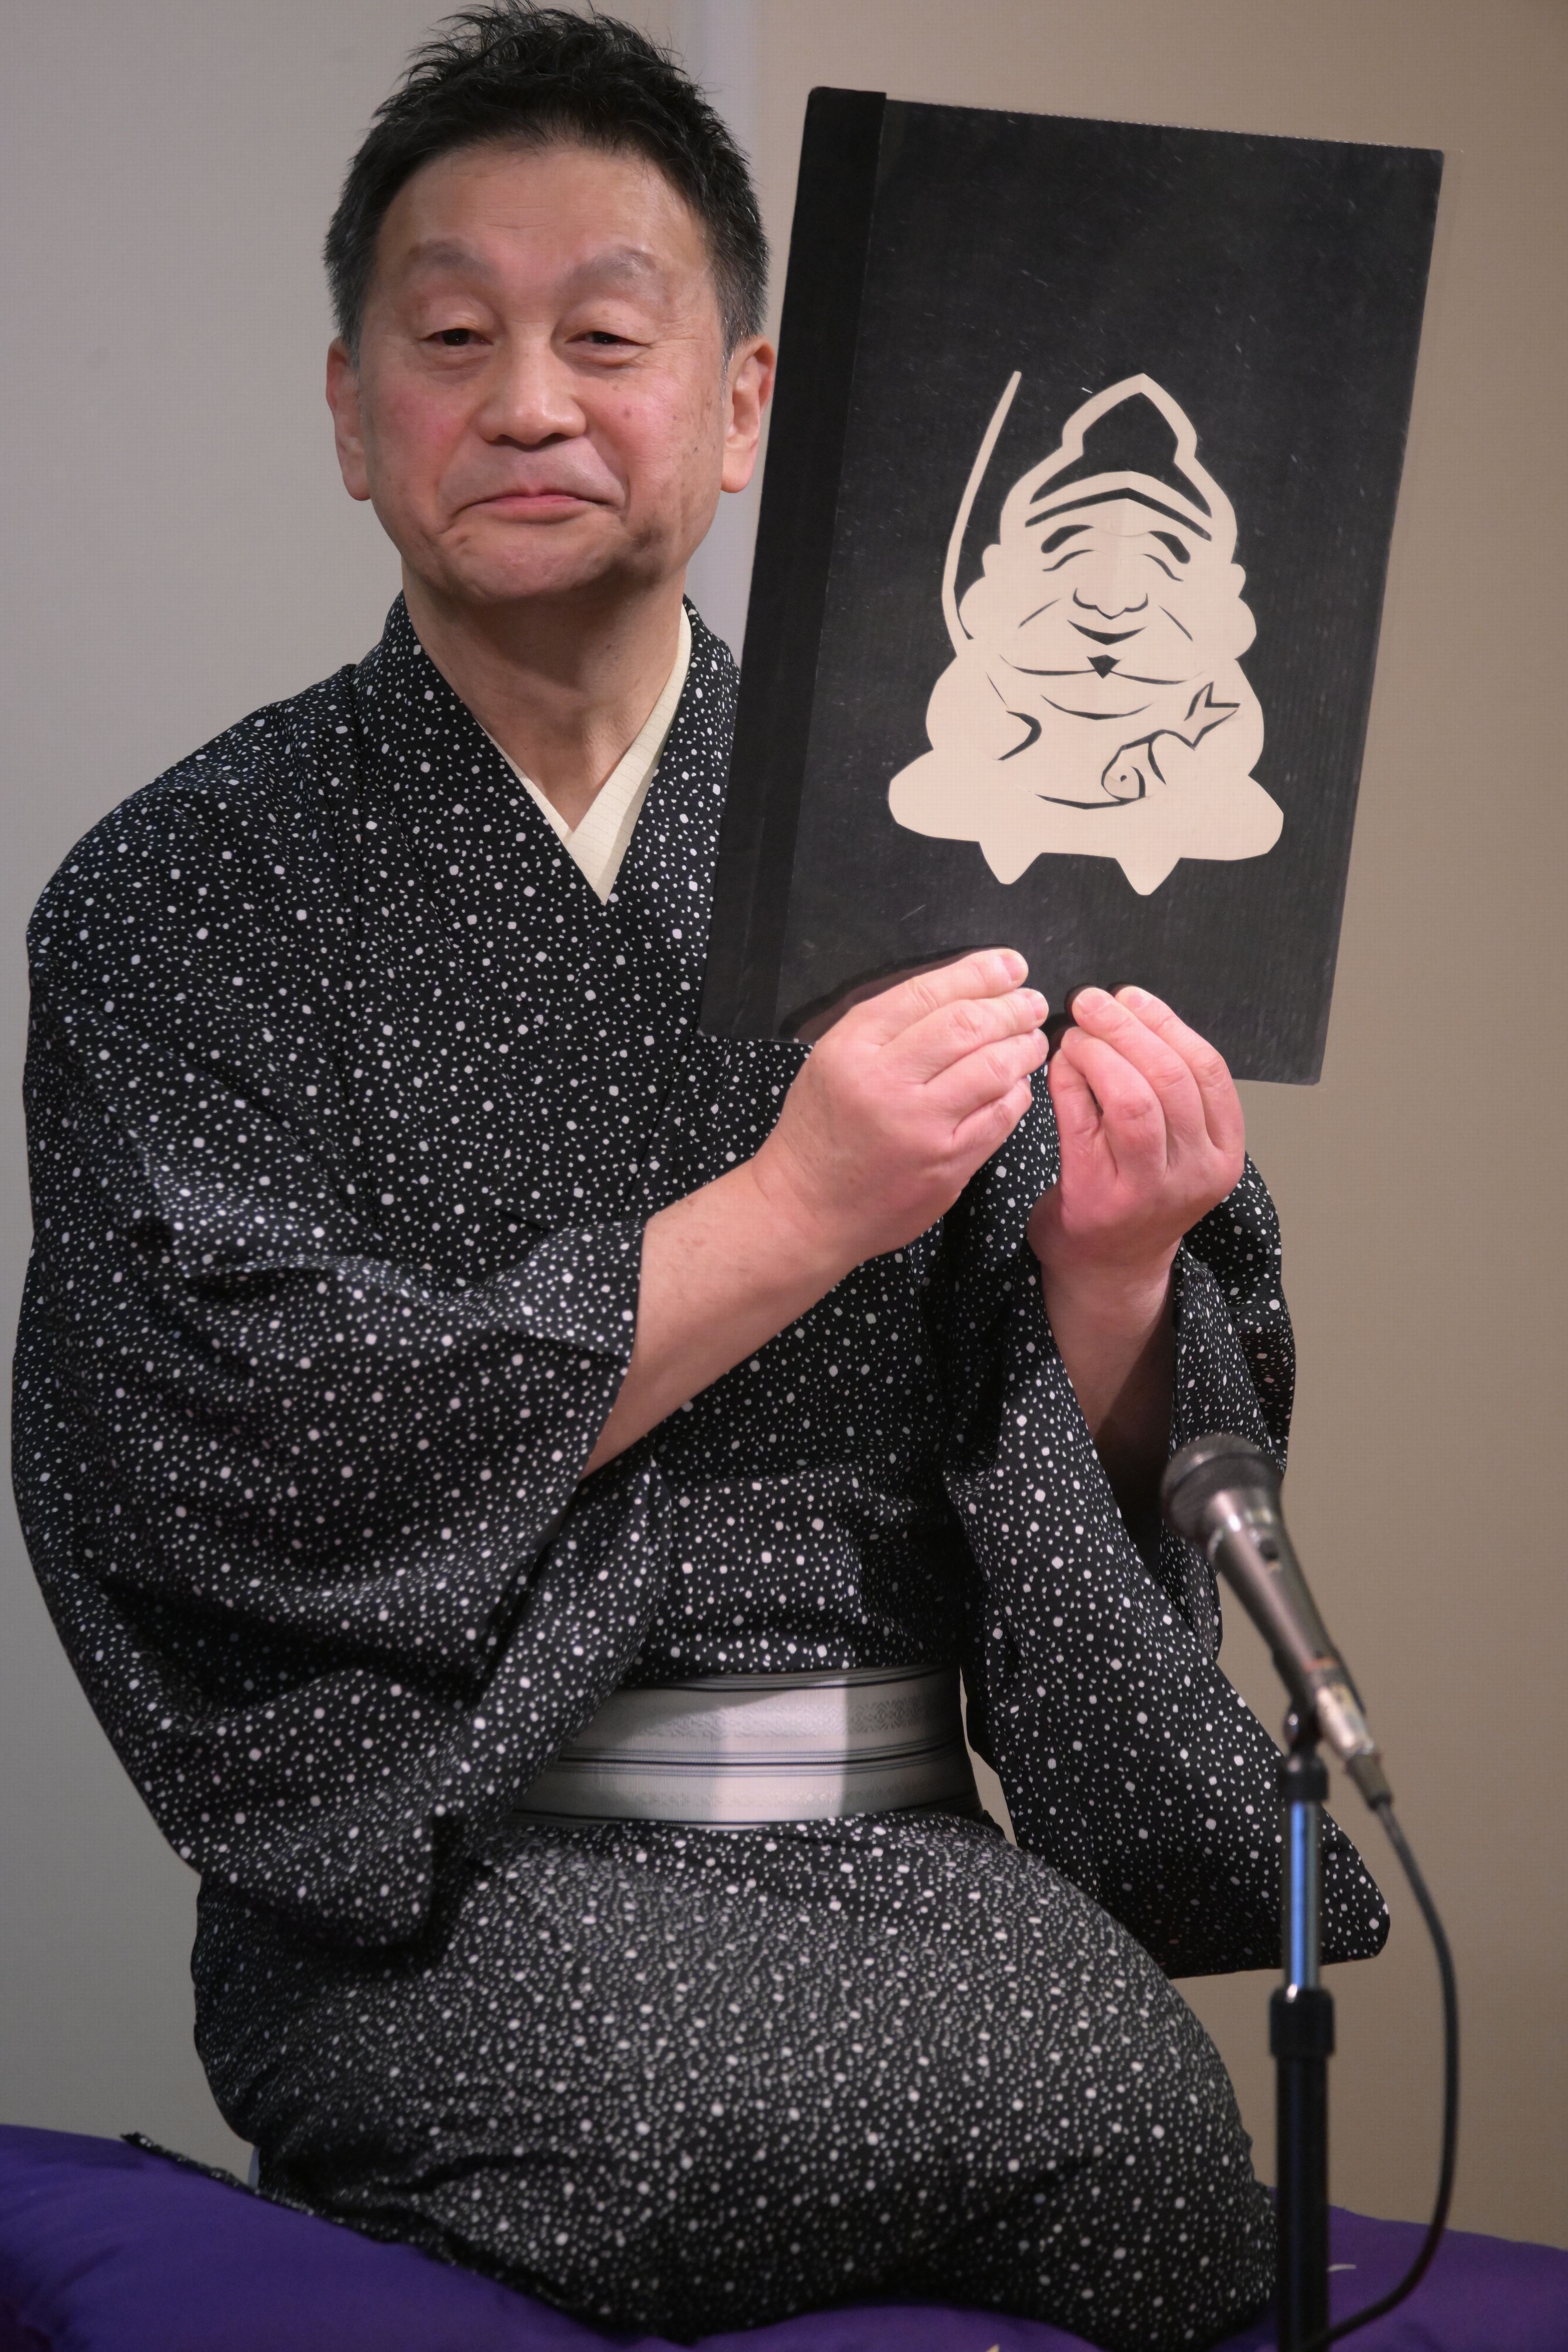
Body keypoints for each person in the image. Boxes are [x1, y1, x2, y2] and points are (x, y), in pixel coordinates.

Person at [13, 11, 1387, 2348]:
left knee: (1163, 2161)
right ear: (350, 411)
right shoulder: (182, 891)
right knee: (664, 2140)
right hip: (464, 1880)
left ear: (743, 405)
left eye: (607, 336)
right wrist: (794, 1210)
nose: (528, 403)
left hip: (909, 1853)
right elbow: (216, 1430)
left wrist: (1117, 1271)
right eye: (454, 338)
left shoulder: (967, 826)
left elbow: (1097, 1476)